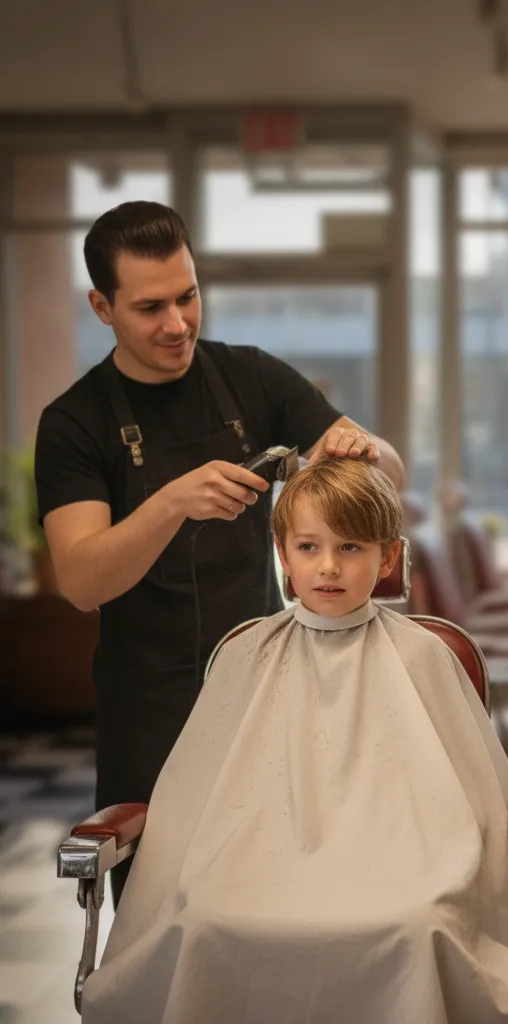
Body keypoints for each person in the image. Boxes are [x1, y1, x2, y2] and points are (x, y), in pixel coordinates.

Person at [80, 458, 508, 1024]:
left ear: (388, 556)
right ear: (282, 555)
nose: (328, 567)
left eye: (350, 548)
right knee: (202, 917)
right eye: (308, 547)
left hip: (404, 862)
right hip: (254, 860)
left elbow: (475, 794)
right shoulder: (246, 653)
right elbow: (193, 794)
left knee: (420, 922)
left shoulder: (426, 655)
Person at [34, 201, 403, 903]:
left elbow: (390, 471)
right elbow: (82, 580)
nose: (177, 324)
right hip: (149, 712)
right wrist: (173, 502)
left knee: (280, 905)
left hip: (266, 692)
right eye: (150, 308)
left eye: (188, 296)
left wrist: (365, 451)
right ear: (101, 307)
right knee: (163, 918)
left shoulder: (251, 378)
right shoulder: (74, 424)